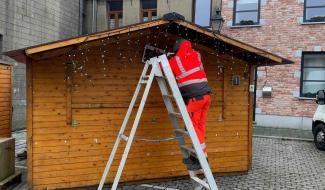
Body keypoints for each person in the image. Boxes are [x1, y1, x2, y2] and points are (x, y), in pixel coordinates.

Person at [168, 38, 211, 170]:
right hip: (206, 96)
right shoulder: (197, 55)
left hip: (194, 98)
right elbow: (189, 60)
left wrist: (163, 58)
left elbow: (163, 67)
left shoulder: (174, 60)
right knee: (199, 127)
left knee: (191, 128)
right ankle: (196, 155)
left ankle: (202, 159)